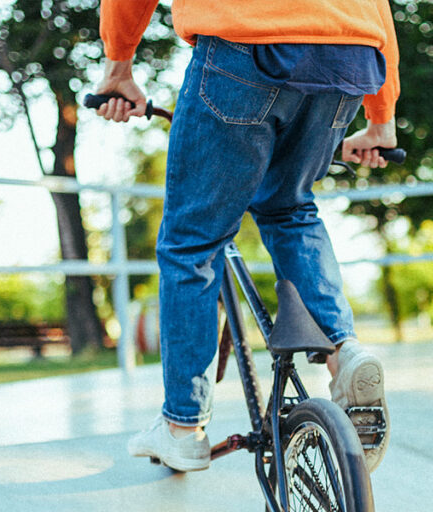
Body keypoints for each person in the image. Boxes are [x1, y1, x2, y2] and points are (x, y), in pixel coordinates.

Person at [94, 0, 399, 473]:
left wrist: (119, 65)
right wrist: (382, 121)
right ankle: (345, 353)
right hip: (349, 53)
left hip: (247, 43)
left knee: (192, 243)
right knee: (290, 206)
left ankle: (183, 427)